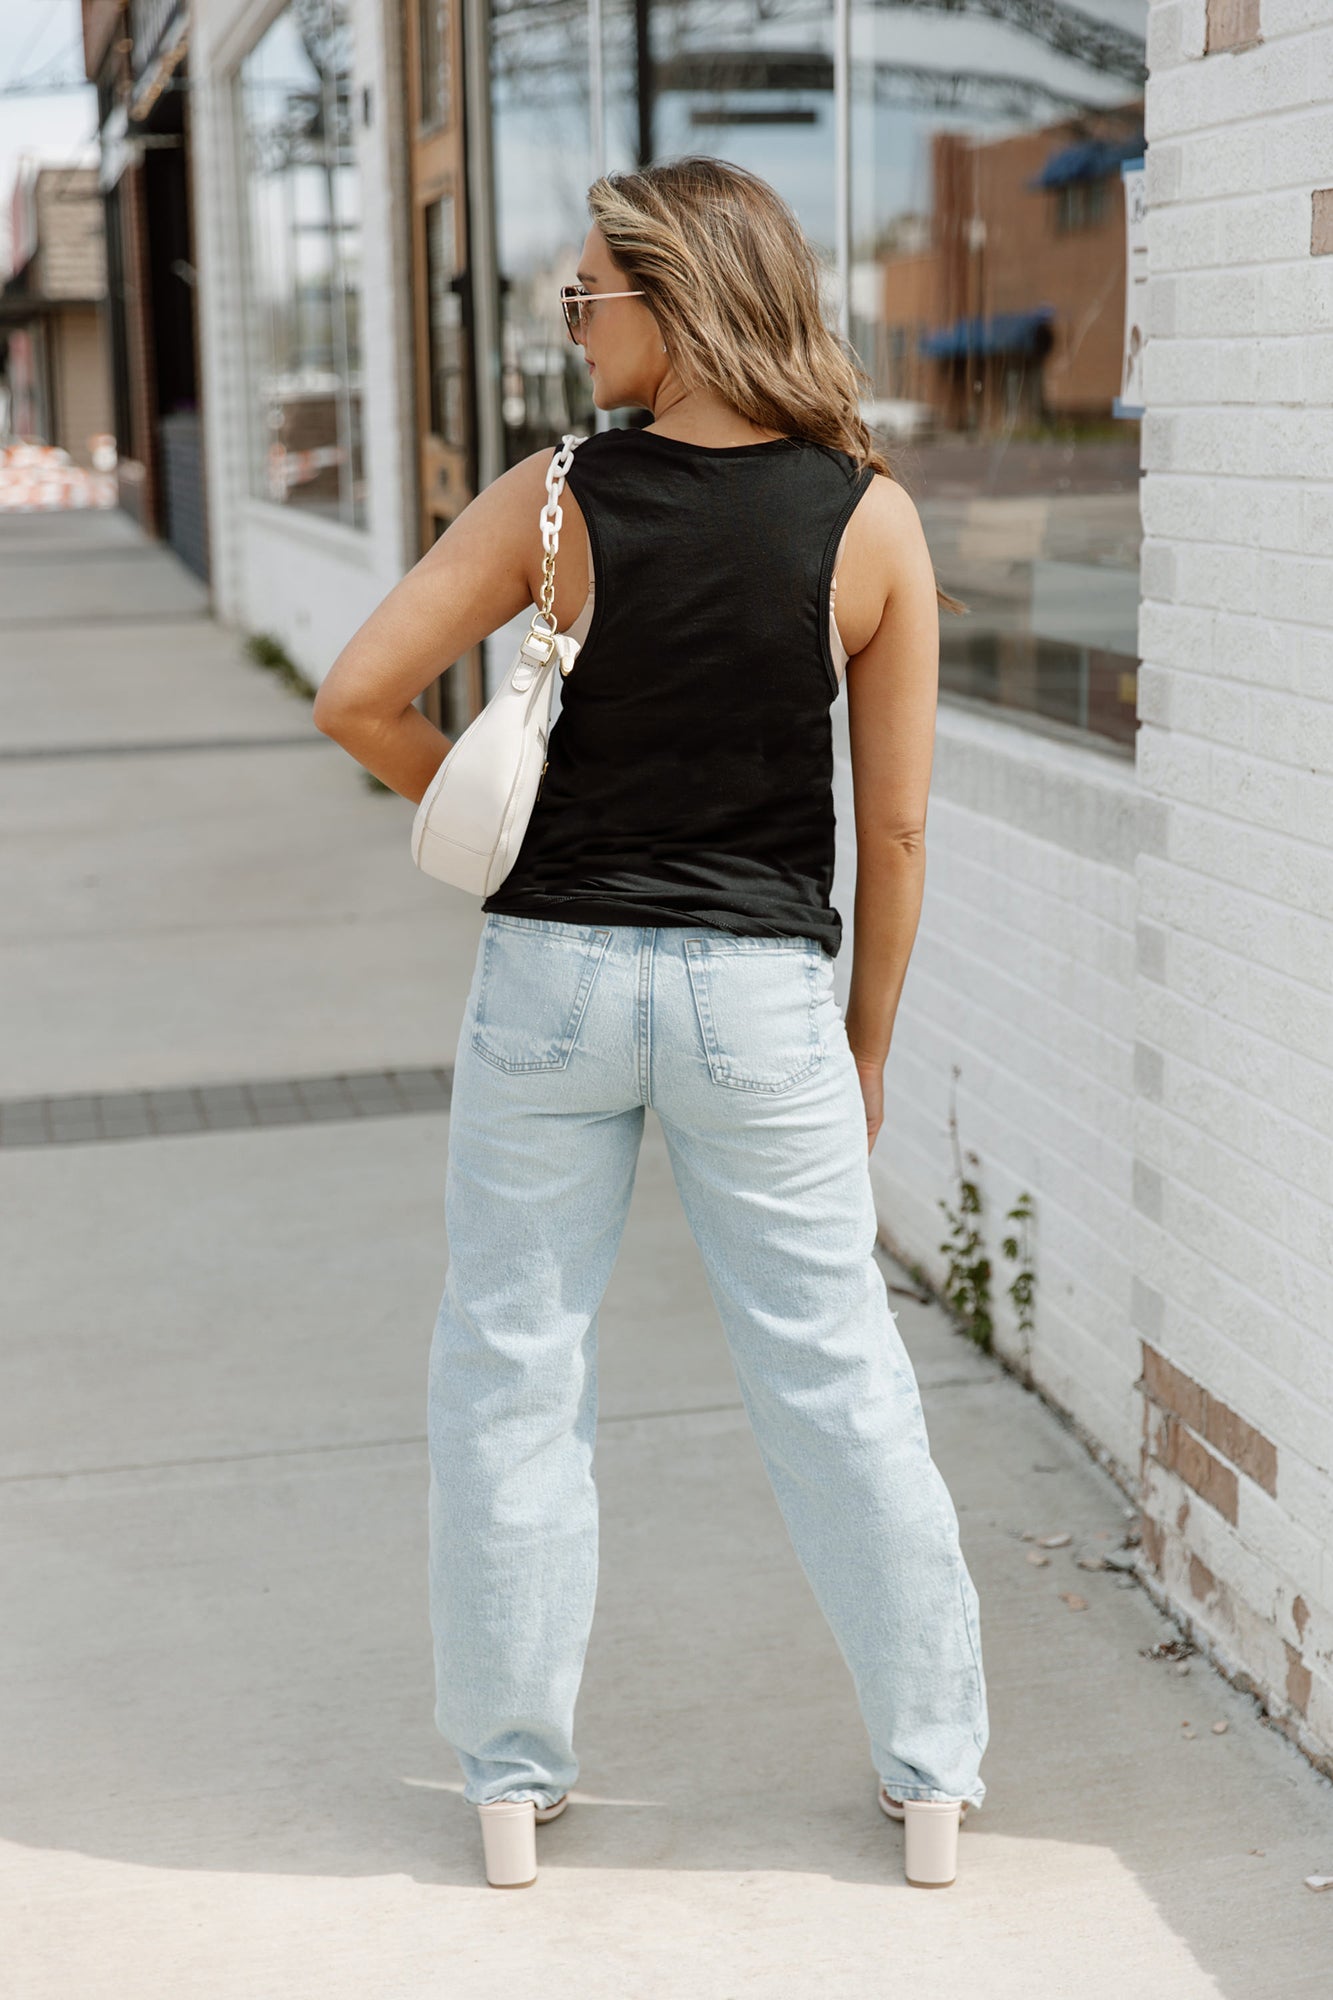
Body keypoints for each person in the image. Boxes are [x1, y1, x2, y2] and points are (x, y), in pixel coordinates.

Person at [313, 155, 989, 1893]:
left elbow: (360, 696)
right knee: (835, 1382)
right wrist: (864, 1045)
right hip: (760, 993)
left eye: (585, 296)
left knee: (515, 1374)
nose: (570, 323)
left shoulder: (555, 503)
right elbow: (895, 828)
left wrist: (510, 835)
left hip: (549, 980)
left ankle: (512, 1788)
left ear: (674, 302)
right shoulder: (867, 515)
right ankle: (930, 1781)